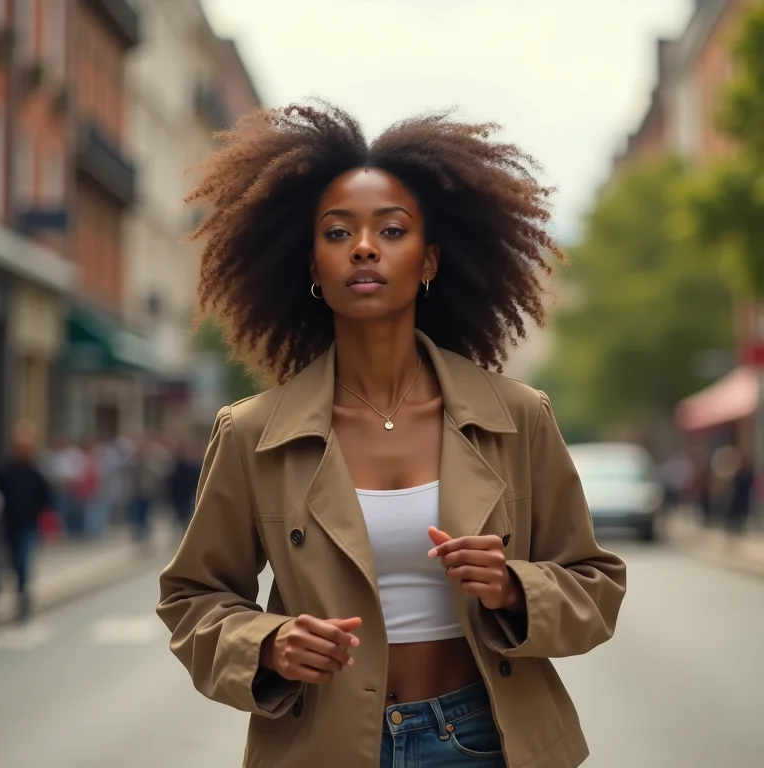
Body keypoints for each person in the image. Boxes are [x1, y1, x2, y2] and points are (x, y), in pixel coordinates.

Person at [157, 104, 627, 768]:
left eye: (393, 229)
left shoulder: (518, 417)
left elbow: (595, 584)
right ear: (314, 269)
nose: (365, 246)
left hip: (484, 737)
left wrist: (514, 588)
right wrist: (267, 642)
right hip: (324, 741)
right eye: (338, 231)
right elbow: (191, 597)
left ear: (429, 261)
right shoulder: (252, 433)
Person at [0, 421, 52, 622]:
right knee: (5, 563)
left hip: (28, 525)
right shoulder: (4, 470)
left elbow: (45, 498)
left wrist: (47, 522)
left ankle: (22, 603)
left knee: (22, 563)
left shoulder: (36, 472)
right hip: (6, 526)